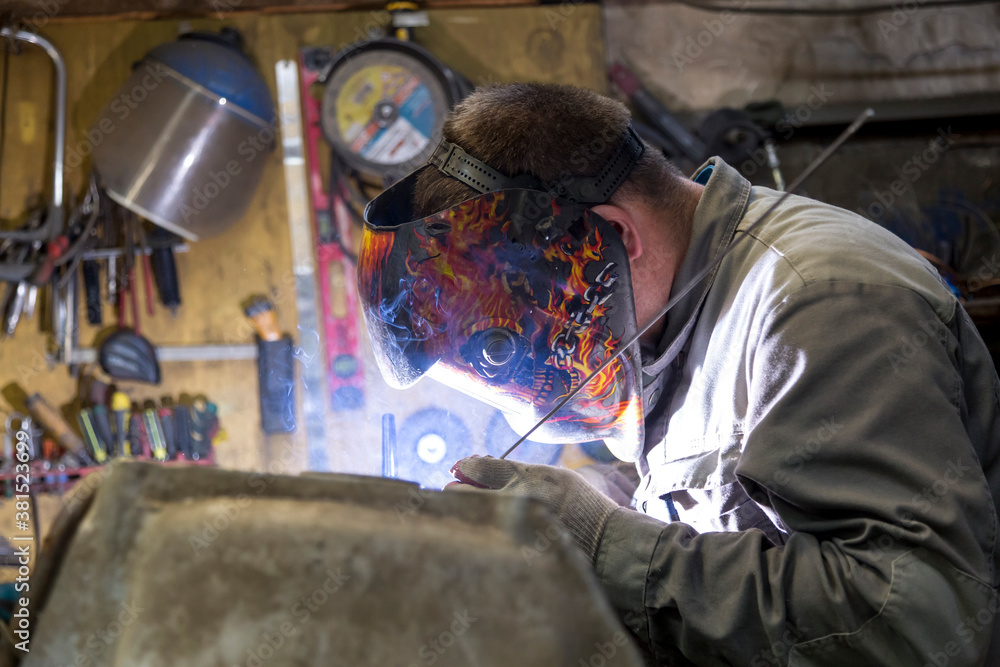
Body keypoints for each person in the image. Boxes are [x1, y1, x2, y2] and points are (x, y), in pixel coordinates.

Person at [357, 83, 1000, 666]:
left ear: (610, 237)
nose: (532, 396)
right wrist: (607, 497)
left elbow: (915, 624)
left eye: (513, 343)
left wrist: (603, 541)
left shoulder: (817, 304)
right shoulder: (675, 320)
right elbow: (741, 513)